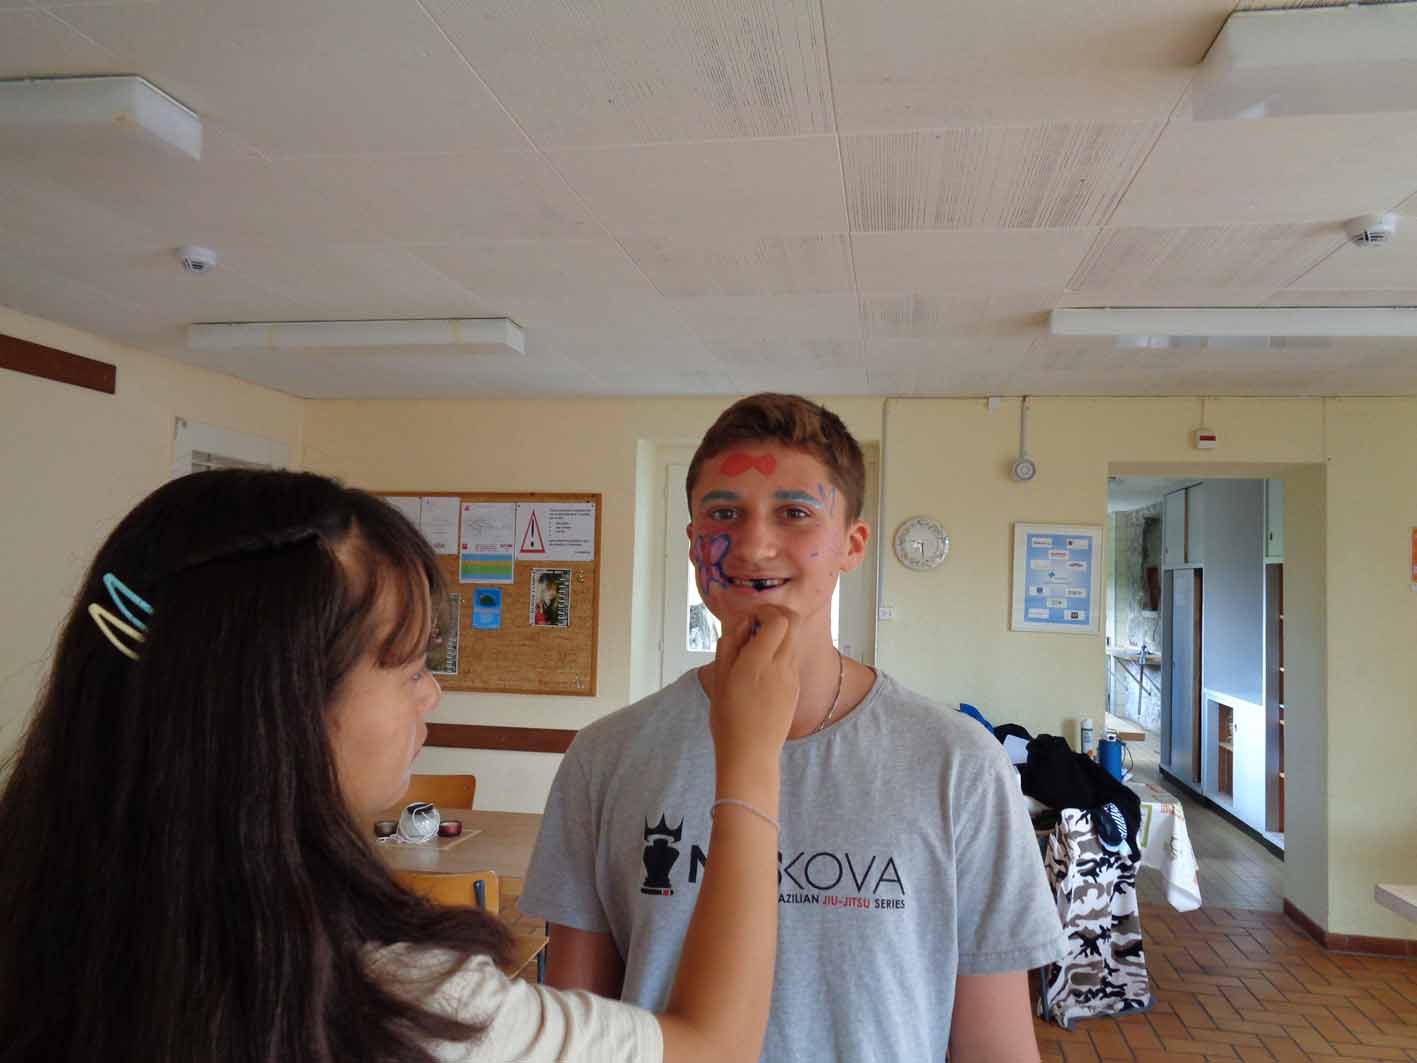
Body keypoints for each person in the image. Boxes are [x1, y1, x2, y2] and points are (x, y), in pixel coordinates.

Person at [0, 468, 801, 1063]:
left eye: (793, 511)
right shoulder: (405, 1004)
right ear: (283, 712)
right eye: (411, 665)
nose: (432, 693)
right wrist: (748, 758)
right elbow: (711, 1046)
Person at [521, 394, 1068, 1061]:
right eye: (725, 513)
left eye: (794, 513)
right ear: (692, 542)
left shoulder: (958, 763)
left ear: (851, 545)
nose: (754, 545)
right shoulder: (606, 756)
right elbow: (580, 1025)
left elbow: (994, 1045)